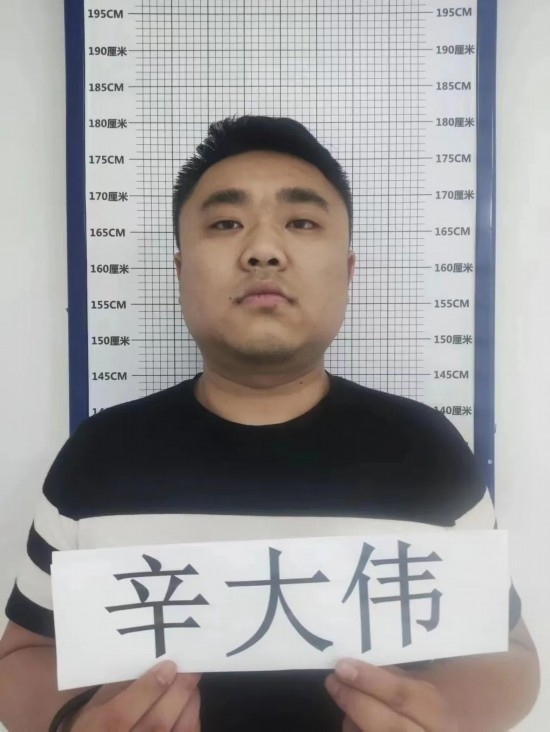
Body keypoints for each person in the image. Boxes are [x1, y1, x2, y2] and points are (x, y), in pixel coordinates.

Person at [0, 115, 540, 731]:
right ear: (180, 271)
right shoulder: (99, 455)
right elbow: (22, 656)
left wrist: (447, 714)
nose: (262, 249)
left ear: (348, 270)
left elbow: (510, 655)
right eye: (225, 223)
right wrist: (72, 722)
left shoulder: (428, 451)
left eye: (302, 222)